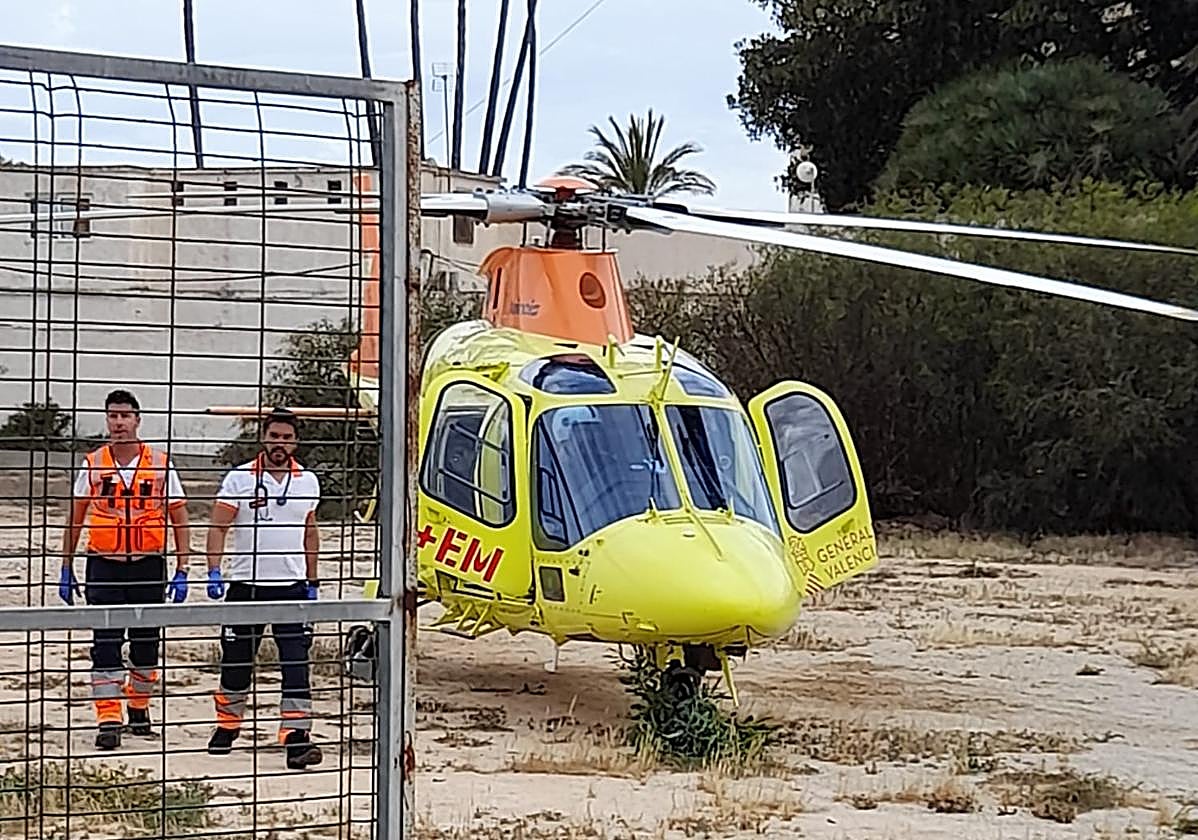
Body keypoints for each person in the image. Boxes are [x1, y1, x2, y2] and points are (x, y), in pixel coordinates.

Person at [60, 388, 191, 750]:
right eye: (112, 415)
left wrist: (183, 567)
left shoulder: (160, 463)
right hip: (104, 565)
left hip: (148, 564)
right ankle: (108, 717)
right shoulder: (93, 463)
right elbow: (76, 517)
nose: (118, 422)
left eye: (124, 415)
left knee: (146, 644)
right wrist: (66, 566)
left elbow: (180, 517)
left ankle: (138, 706)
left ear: (137, 420)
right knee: (105, 643)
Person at [204, 407, 323, 770]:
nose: (279, 444)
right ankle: (228, 725)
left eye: (286, 438)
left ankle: (296, 737)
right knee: (237, 662)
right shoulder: (239, 478)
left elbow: (310, 531)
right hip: (246, 586)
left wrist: (312, 580)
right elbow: (218, 526)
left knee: (296, 665)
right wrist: (213, 570)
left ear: (295, 442)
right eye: (274, 437)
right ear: (263, 438)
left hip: (292, 587)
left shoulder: (308, 481)